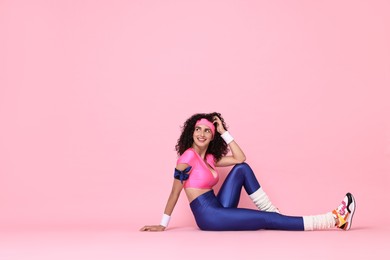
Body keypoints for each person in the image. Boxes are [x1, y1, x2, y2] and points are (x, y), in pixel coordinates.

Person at [140, 112, 356, 232]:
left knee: (241, 169)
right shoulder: (187, 157)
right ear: (191, 132)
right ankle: (334, 220)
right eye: (198, 129)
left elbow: (240, 158)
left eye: (208, 130)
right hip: (209, 216)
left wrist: (224, 132)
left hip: (218, 206)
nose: (202, 133)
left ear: (212, 136)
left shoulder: (210, 159)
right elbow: (174, 192)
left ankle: (274, 214)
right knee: (265, 220)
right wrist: (163, 223)